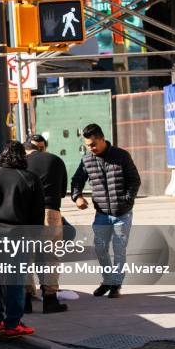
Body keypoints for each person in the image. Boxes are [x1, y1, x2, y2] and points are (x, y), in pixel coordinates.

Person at [0, 141, 44, 338]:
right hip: (18, 235)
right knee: (16, 281)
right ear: (23, 157)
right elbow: (37, 214)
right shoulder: (30, 178)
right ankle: (13, 323)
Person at [71, 124, 141, 299]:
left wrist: (127, 199)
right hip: (101, 214)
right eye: (88, 145)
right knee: (100, 249)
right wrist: (77, 196)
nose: (91, 148)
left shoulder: (121, 156)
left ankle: (116, 285)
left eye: (93, 144)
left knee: (119, 250)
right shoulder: (87, 160)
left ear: (102, 139)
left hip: (122, 214)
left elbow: (135, 180)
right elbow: (77, 180)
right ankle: (108, 280)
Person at [23, 141, 68, 314]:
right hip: (51, 212)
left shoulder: (21, 162)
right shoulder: (55, 160)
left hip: (27, 214)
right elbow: (63, 191)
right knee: (51, 257)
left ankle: (25, 300)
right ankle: (50, 300)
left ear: (25, 151)